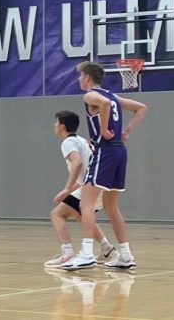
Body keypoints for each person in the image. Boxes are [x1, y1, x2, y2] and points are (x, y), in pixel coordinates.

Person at [62, 62, 147, 271]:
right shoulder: (114, 96)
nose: (78, 80)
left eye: (80, 76)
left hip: (106, 150)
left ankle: (86, 253)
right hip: (119, 151)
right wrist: (126, 132)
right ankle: (125, 256)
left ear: (88, 78)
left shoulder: (91, 96)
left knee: (86, 204)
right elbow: (141, 108)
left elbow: (104, 105)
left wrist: (103, 129)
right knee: (110, 206)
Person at [44, 110, 117, 268]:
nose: (54, 125)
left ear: (62, 126)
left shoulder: (68, 142)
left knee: (57, 214)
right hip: (98, 185)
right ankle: (107, 250)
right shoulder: (82, 140)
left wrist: (66, 189)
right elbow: (84, 173)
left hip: (93, 186)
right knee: (80, 215)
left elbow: (76, 163)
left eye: (56, 122)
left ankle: (67, 254)